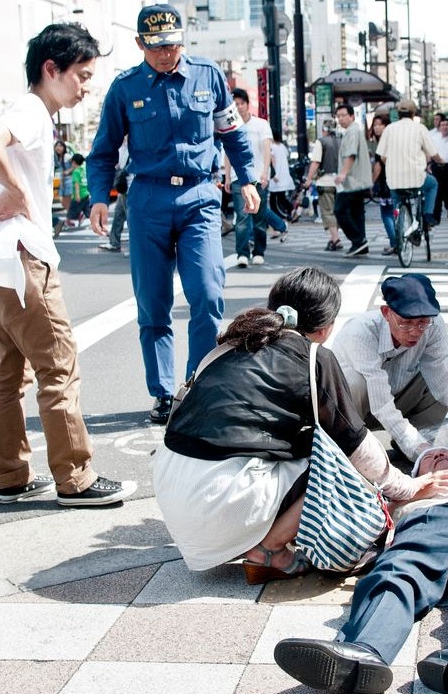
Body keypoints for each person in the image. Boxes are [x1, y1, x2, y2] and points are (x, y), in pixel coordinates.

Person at [153, 267, 448, 582]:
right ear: (326, 326)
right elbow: (358, 447)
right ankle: (270, 548)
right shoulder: (315, 356)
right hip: (222, 504)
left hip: (172, 494)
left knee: (308, 445)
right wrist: (407, 487)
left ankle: (250, 535)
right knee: (345, 468)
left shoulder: (229, 346)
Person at [0, 22, 137, 510]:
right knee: (58, 365)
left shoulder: (30, 111)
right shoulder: (31, 110)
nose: (86, 86)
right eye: (82, 75)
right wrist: (19, 192)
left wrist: (13, 189)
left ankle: (11, 476)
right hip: (23, 257)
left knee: (8, 370)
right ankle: (75, 478)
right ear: (52, 70)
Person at [273, 435, 448, 694]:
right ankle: (363, 651)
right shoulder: (411, 495)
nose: (439, 454)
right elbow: (372, 522)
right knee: (396, 574)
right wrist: (410, 494)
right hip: (428, 521)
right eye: (429, 458)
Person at [87, 3, 260, 425]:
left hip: (200, 197)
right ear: (140, 44)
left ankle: (196, 386)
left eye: (173, 44)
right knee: (154, 303)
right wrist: (97, 197)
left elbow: (231, 134)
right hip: (147, 200)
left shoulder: (209, 76)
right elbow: (103, 150)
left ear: (183, 39)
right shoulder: (125, 87)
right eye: (156, 46)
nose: (166, 54)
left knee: (206, 295)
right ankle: (163, 393)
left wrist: (248, 178)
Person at [332, 273, 448, 464]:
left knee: (442, 376)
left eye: (422, 322)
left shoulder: (432, 326)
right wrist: (419, 448)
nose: (415, 331)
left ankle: (413, 444)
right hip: (355, 409)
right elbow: (382, 405)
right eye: (405, 323)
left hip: (398, 398)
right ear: (386, 313)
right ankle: (348, 446)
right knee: (356, 381)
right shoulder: (361, 332)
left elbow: (447, 375)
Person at [224, 87, 287, 267]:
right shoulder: (231, 125)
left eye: (241, 103)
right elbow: (228, 153)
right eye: (235, 104)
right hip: (238, 178)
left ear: (247, 104)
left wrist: (265, 173)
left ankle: (259, 252)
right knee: (242, 217)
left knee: (259, 218)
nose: (238, 107)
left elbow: (267, 149)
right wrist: (227, 177)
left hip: (258, 177)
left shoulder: (260, 124)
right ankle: (242, 254)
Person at [375, 99, 442, 236]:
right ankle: (428, 215)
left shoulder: (389, 129)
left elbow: (381, 156)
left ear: (398, 113)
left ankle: (401, 228)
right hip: (416, 179)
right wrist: (441, 161)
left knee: (397, 201)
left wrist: (393, 163)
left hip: (394, 180)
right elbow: (433, 153)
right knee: (433, 184)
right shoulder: (420, 128)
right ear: (413, 114)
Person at [334, 104, 373, 256]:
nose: (341, 119)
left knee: (340, 210)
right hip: (359, 180)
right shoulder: (355, 130)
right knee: (357, 212)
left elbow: (351, 155)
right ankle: (361, 244)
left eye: (344, 115)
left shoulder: (352, 131)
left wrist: (343, 174)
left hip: (352, 180)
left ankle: (358, 240)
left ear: (352, 116)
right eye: (338, 116)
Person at [304, 119, 342, 250]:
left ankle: (336, 240)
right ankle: (333, 238)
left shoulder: (321, 142)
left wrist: (309, 179)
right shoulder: (341, 141)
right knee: (336, 211)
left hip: (325, 181)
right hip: (341, 182)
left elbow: (315, 162)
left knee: (327, 212)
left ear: (324, 129)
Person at [368, 113, 397, 254]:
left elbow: (378, 166)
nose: (377, 128)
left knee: (387, 214)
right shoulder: (392, 140)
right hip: (397, 180)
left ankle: (395, 243)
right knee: (394, 213)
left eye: (381, 124)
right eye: (375, 125)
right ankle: (398, 241)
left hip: (386, 183)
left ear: (387, 126)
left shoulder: (382, 143)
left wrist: (371, 183)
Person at [268, 134, 294, 222]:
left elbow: (272, 161)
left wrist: (274, 174)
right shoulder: (283, 146)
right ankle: (289, 209)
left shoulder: (272, 147)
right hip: (284, 175)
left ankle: (278, 216)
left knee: (274, 198)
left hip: (276, 176)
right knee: (281, 197)